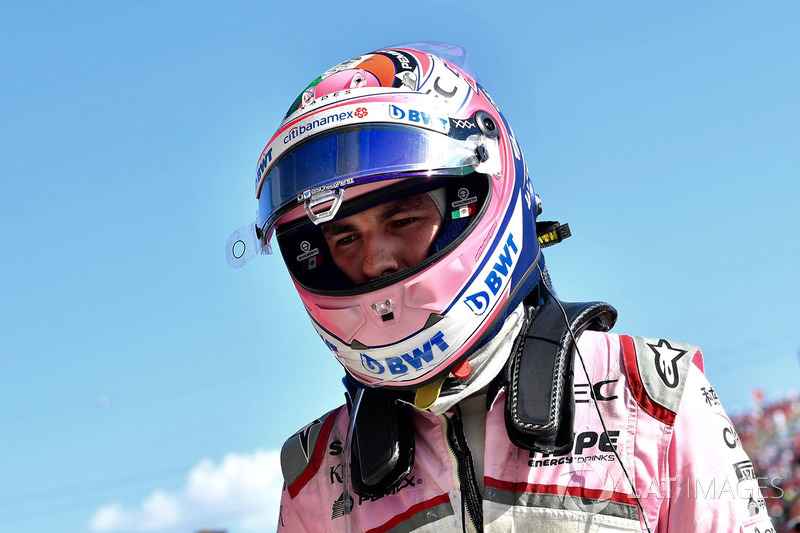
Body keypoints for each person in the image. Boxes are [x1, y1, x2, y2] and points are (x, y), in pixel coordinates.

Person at [226, 43, 776, 532]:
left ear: (474, 202)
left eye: (402, 220)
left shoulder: (655, 398)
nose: (376, 262)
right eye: (344, 238)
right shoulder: (320, 472)